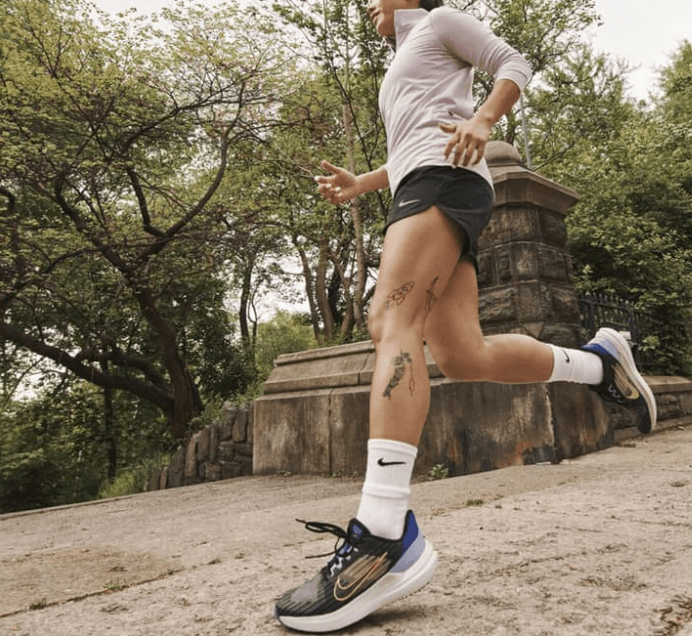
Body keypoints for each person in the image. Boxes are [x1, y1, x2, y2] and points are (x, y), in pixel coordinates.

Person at [273, 1, 657, 631]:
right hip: (424, 180)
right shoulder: (406, 54)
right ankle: (598, 365)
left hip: (442, 183)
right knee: (461, 354)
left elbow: (513, 62)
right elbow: (417, 139)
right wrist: (364, 183)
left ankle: (382, 532)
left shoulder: (439, 21)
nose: (366, 4)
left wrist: (484, 119)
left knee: (390, 322)